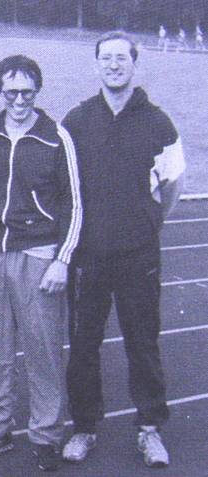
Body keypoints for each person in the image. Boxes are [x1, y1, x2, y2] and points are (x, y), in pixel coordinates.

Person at [61, 31, 185, 468]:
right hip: (88, 256)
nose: (114, 65)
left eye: (121, 58)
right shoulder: (76, 120)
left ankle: (149, 429)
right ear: (96, 64)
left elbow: (173, 184)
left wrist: (148, 222)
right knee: (83, 344)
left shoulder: (158, 122)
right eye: (106, 58)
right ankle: (84, 427)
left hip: (138, 256)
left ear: (134, 64)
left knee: (143, 343)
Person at [0, 55, 82, 472]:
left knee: (44, 352)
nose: (19, 99)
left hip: (39, 256)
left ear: (37, 91)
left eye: (27, 91)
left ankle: (46, 435)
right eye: (11, 91)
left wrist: (61, 260)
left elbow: (74, 203)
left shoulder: (56, 137)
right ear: (0, 90)